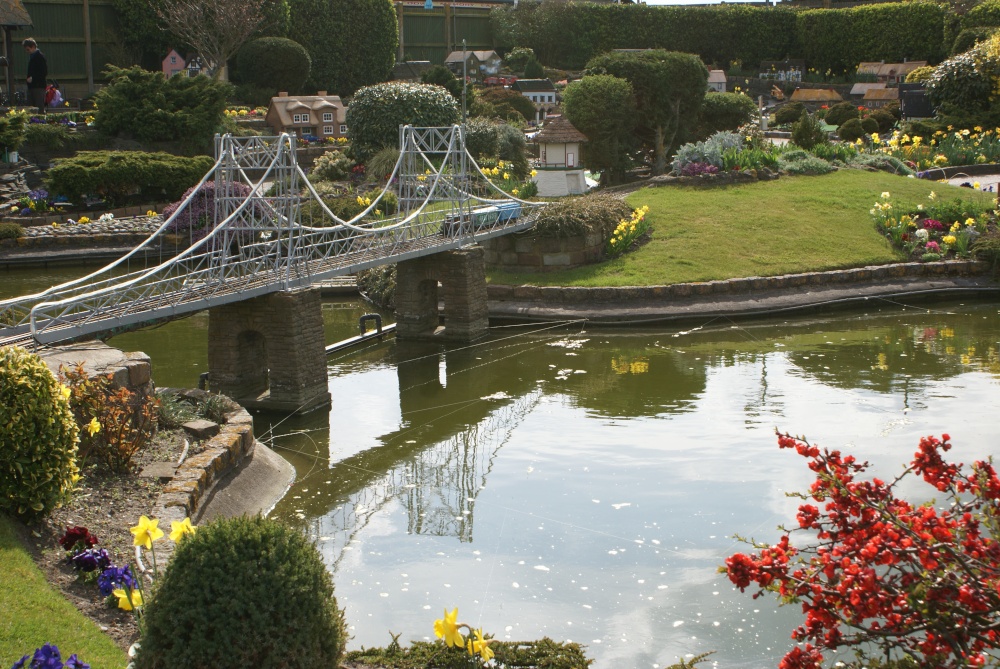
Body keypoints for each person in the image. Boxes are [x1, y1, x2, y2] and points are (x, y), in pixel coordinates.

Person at [23, 38, 47, 114]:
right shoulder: (32, 56)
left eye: (28, 49)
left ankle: (41, 123)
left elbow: (44, 72)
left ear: (33, 46)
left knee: (39, 108)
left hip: (38, 86)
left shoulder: (39, 56)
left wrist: (33, 78)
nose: (27, 51)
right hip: (32, 86)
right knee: (31, 108)